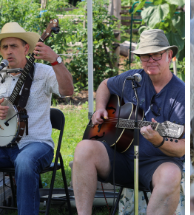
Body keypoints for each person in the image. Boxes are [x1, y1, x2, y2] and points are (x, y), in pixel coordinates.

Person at [0, 22, 75, 215]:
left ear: (26, 48)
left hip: (37, 144)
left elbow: (68, 90)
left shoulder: (44, 72)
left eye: (14, 46)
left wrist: (56, 60)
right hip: (3, 145)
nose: (9, 51)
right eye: (5, 47)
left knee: (25, 161)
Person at [72, 29, 185, 215]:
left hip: (158, 163)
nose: (150, 60)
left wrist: (159, 141)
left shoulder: (180, 93)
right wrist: (100, 108)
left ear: (169, 55)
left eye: (156, 55)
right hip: (123, 157)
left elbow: (182, 147)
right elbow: (105, 85)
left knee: (171, 174)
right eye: (145, 56)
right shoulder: (133, 78)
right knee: (84, 148)